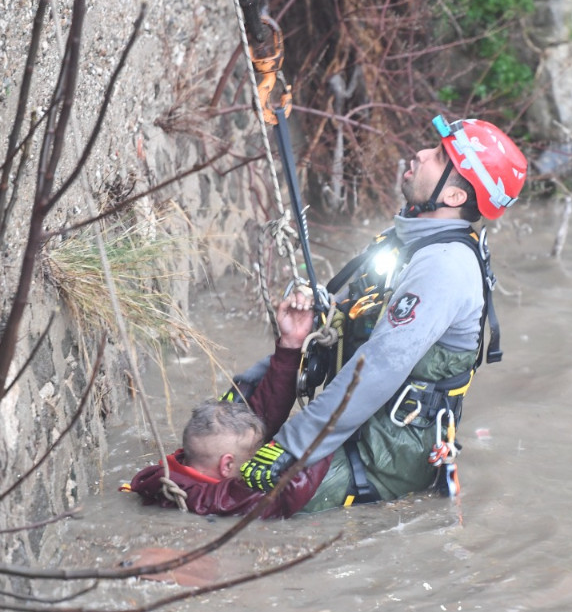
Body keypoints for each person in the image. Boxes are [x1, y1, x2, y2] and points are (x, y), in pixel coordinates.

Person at [234, 115, 529, 513]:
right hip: (355, 430)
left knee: (241, 500)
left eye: (440, 157)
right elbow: (340, 323)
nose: (421, 153)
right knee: (212, 447)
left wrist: (292, 446)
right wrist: (263, 374)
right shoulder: (405, 243)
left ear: (455, 196)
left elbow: (377, 367)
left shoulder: (445, 266)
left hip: (385, 460)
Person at [127, 292, 335, 518]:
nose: (260, 456)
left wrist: (291, 344)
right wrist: (335, 419)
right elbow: (286, 494)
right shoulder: (216, 501)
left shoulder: (167, 473)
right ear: (226, 465)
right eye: (255, 455)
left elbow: (257, 420)